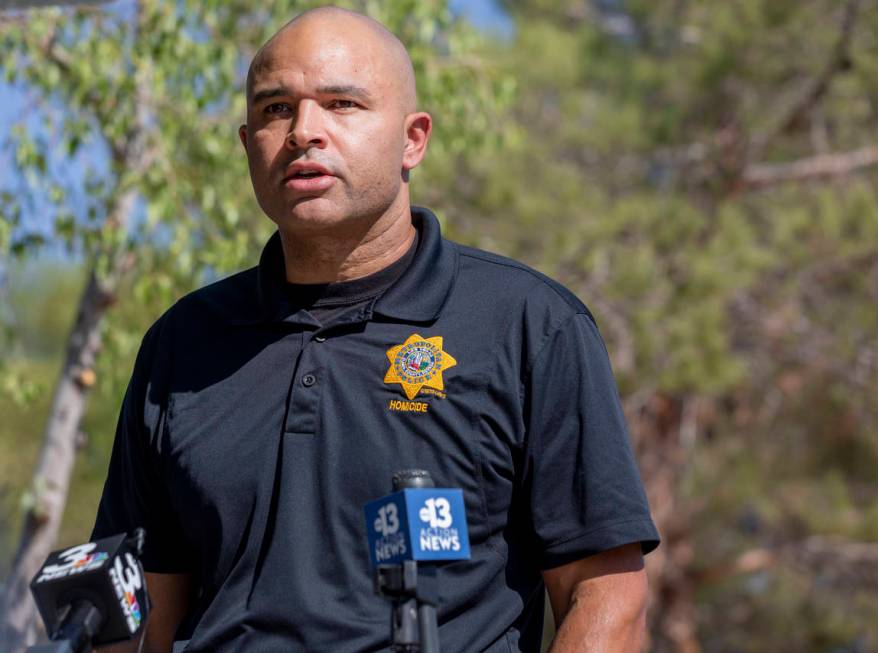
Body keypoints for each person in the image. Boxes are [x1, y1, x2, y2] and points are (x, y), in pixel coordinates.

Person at [93, 6, 659, 652]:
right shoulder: (182, 346)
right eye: (276, 109)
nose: (305, 131)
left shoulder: (532, 326)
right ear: (248, 145)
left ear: (414, 139)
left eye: (341, 104)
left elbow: (608, 597)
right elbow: (134, 621)